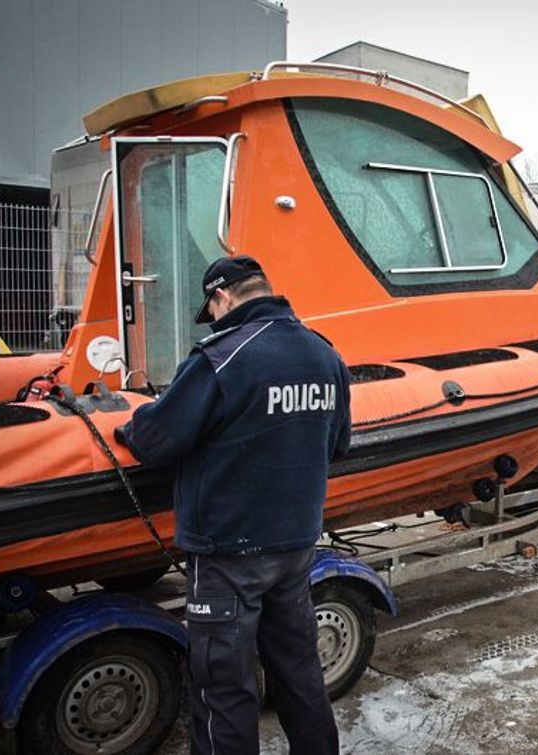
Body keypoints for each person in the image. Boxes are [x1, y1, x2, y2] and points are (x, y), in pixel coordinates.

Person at [116, 254, 351, 755]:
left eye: (213, 308)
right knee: (299, 672)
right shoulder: (324, 355)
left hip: (228, 552)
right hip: (295, 547)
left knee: (223, 685)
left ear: (222, 297)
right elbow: (335, 444)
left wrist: (128, 423)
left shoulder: (221, 357)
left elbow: (156, 441)